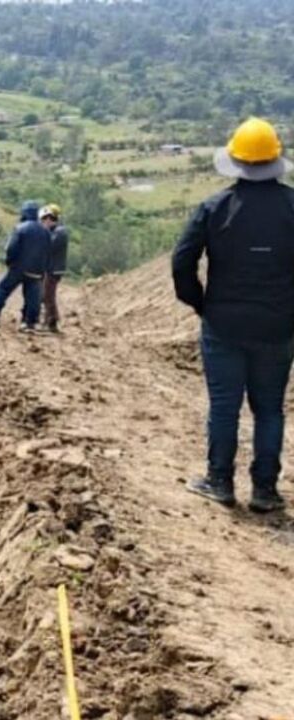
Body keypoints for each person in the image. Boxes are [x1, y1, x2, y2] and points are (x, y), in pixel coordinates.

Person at [172, 117, 294, 514]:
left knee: (224, 406)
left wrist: (200, 303)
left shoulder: (216, 207)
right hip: (277, 327)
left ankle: (220, 481)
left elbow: (182, 262)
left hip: (223, 325)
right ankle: (265, 490)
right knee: (270, 409)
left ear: (236, 161)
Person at [0, 202, 51, 333]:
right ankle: (29, 324)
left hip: (18, 268)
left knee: (2, 289)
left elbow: (11, 248)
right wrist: (43, 270)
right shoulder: (46, 231)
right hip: (36, 271)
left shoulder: (20, 228)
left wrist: (10, 262)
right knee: (33, 298)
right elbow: (48, 252)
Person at [40, 204, 70, 333]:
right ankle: (50, 320)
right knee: (46, 295)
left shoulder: (60, 232)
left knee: (48, 295)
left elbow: (49, 247)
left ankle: (51, 322)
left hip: (54, 269)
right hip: (51, 268)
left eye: (44, 219)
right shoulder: (57, 231)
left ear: (49, 218)